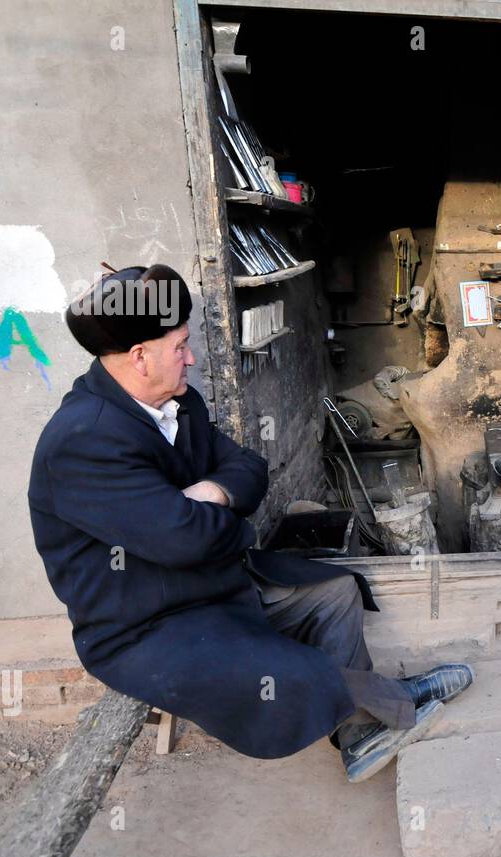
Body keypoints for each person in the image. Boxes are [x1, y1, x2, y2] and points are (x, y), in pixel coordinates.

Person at [28, 264, 472, 783]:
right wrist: (230, 525)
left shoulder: (180, 404)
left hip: (213, 583)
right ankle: (390, 702)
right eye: (180, 347)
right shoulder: (85, 440)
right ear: (139, 356)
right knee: (285, 675)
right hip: (147, 625)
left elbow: (248, 468)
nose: (190, 357)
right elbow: (185, 540)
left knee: (335, 592)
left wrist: (212, 491)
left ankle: (358, 732)